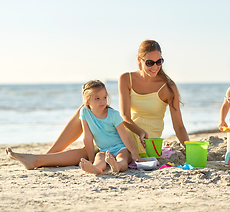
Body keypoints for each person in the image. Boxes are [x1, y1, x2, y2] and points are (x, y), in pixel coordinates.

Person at [6, 40, 189, 169]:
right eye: (150, 62)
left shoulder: (168, 87)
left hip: (144, 141)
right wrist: (136, 129)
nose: (155, 67)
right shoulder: (127, 79)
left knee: (90, 151)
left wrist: (190, 149)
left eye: (159, 61)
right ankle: (46, 156)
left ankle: (40, 160)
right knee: (85, 110)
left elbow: (179, 125)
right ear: (139, 60)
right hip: (124, 129)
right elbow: (124, 116)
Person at [78, 80, 144, 174]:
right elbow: (87, 137)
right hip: (104, 150)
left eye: (104, 97)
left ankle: (117, 166)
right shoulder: (85, 112)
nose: (102, 101)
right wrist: (91, 158)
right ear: (87, 101)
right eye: (97, 98)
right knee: (99, 158)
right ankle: (96, 168)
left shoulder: (113, 115)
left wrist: (135, 154)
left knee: (122, 159)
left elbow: (125, 136)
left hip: (121, 148)